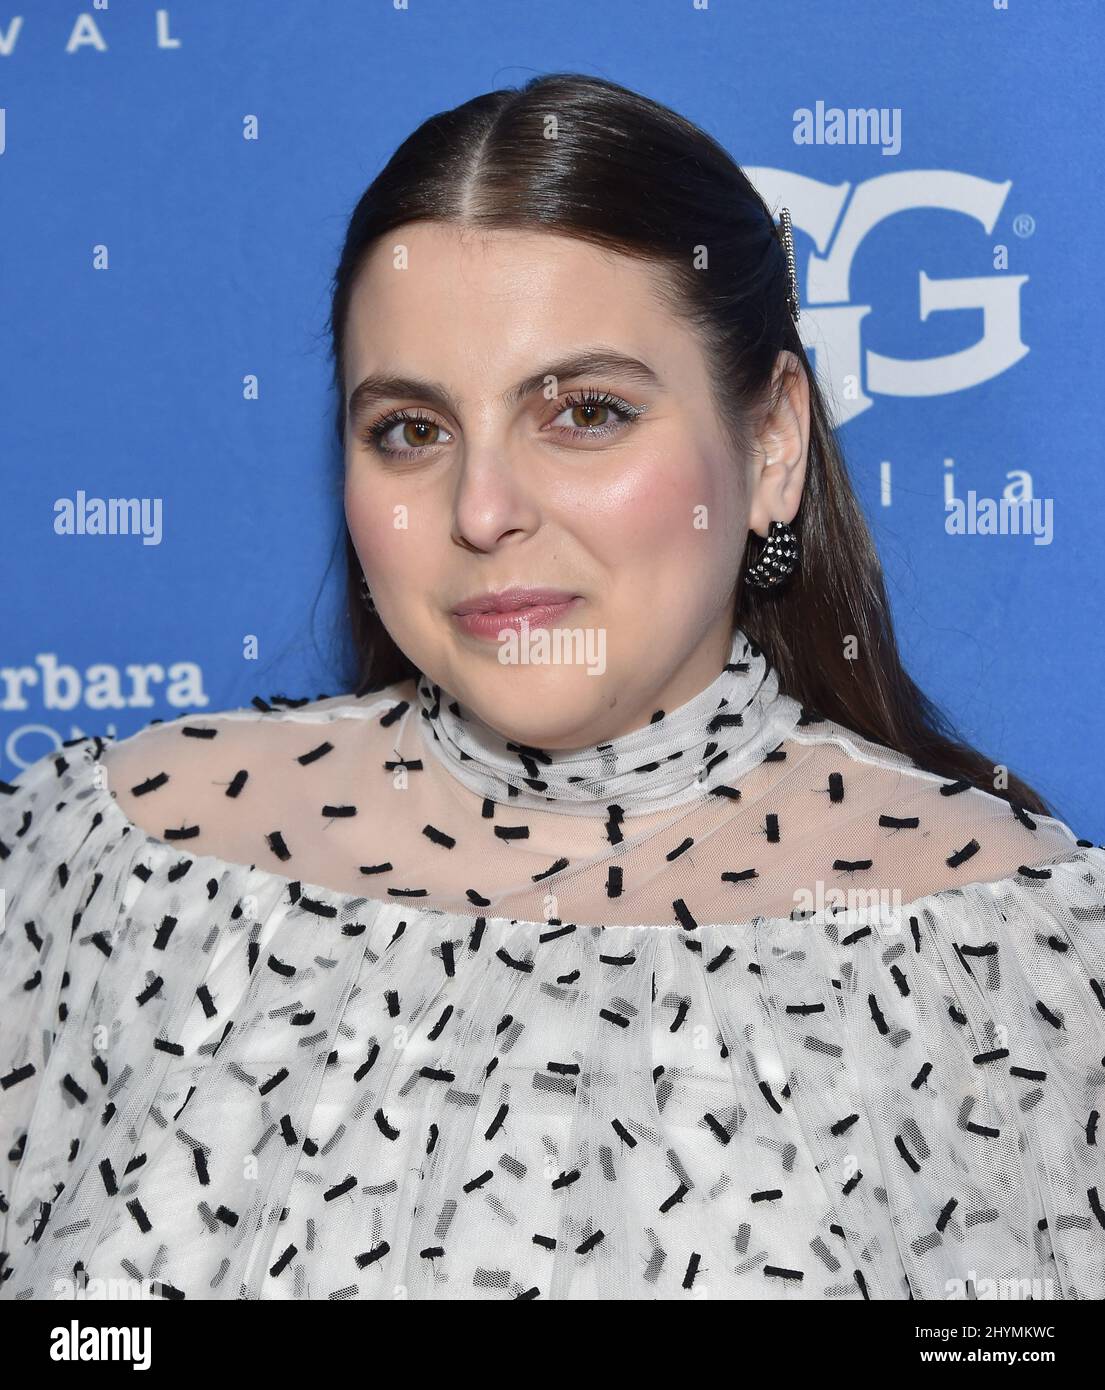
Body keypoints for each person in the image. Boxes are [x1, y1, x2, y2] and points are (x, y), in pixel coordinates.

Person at [1, 72, 1102, 1302]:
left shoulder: (1017, 958)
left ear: (770, 446)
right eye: (412, 430)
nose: (480, 512)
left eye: (583, 412)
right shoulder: (109, 866)